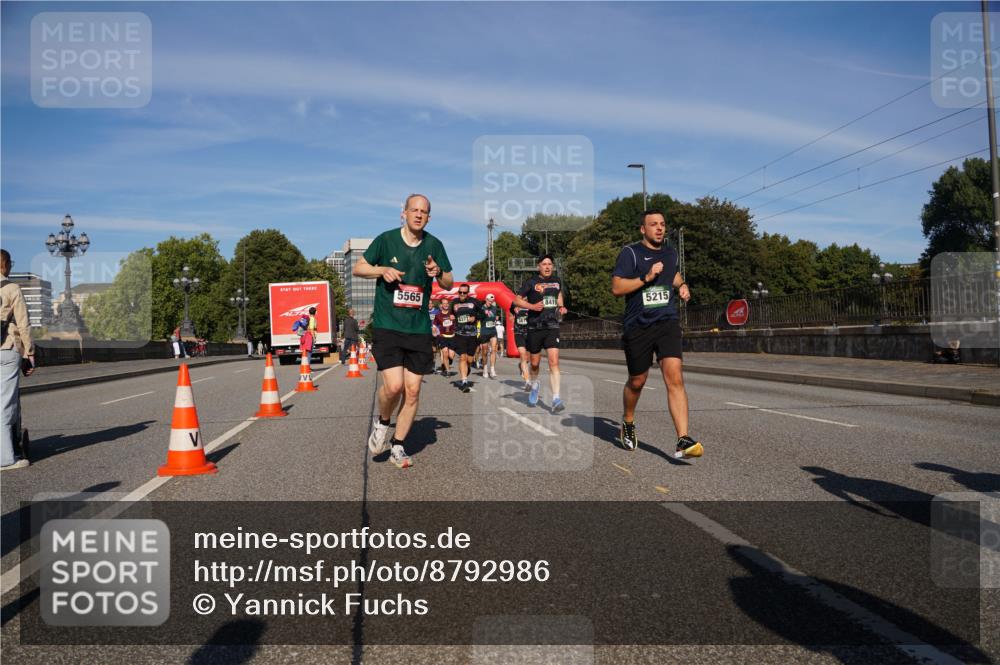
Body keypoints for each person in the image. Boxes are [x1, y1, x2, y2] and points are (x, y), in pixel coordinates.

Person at [353, 194, 453, 468]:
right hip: (388, 324)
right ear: (404, 213)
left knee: (412, 392)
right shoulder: (386, 240)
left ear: (428, 217)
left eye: (424, 212)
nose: (418, 215)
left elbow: (448, 282)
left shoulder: (434, 245)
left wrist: (438, 271)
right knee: (394, 386)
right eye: (414, 210)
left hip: (418, 328)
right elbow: (359, 267)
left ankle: (398, 445)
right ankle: (383, 422)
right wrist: (381, 270)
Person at [611, 208, 702, 459]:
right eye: (653, 224)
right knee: (637, 381)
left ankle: (682, 439)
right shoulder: (630, 253)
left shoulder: (670, 252)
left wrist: (682, 285)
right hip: (638, 325)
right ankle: (628, 420)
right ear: (643, 229)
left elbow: (672, 274)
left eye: (662, 224)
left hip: (667, 321)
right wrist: (646, 276)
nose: (660, 228)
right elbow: (617, 287)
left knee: (675, 377)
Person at [513, 255, 567, 411]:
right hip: (534, 327)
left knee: (554, 362)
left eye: (550, 264)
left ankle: (556, 399)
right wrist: (531, 306)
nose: (548, 267)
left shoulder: (557, 281)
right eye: (544, 264)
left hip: (552, 326)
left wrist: (561, 307)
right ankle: (535, 385)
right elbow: (517, 300)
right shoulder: (531, 282)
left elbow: (558, 295)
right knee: (535, 364)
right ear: (539, 267)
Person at [1, 249, 35, 470]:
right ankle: (5, 458)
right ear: (7, 265)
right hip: (6, 349)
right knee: (5, 404)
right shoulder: (12, 289)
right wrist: (29, 353)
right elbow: (23, 324)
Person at [451, 284, 484, 393]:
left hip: (472, 334)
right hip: (459, 334)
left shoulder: (475, 302)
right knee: (462, 358)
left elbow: (483, 314)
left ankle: (466, 370)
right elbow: (452, 314)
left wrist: (475, 318)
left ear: (468, 293)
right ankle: (464, 381)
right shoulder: (454, 302)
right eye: (460, 292)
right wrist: (452, 317)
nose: (461, 294)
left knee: (469, 360)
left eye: (464, 292)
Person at [478, 293, 503, 378]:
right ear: (486, 299)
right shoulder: (481, 308)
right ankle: (485, 368)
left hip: (492, 331)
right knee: (484, 352)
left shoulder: (494, 308)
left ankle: (492, 369)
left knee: (494, 349)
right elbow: (478, 318)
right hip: (484, 331)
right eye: (489, 300)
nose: (490, 302)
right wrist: (483, 314)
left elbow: (496, 316)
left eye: (492, 301)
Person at [509, 301, 531, 389]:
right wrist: (513, 310)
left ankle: (521, 366)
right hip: (519, 333)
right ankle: (527, 382)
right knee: (522, 354)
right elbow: (511, 308)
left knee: (527, 357)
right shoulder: (516, 303)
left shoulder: (532, 303)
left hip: (530, 333)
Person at [433, 297, 457, 375]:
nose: (446, 305)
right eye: (444, 303)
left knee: (451, 355)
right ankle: (448, 371)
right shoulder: (438, 315)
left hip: (452, 337)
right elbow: (434, 325)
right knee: (445, 353)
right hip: (442, 337)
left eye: (447, 303)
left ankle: (445, 365)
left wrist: (455, 319)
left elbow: (457, 323)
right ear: (441, 305)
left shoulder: (452, 314)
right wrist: (434, 331)